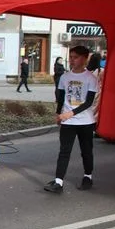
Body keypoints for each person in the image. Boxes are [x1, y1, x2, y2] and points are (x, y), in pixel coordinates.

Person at [44, 45, 98, 193]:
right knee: (64, 151)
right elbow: (61, 99)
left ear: (85, 59)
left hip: (86, 122)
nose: (72, 60)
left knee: (86, 151)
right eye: (71, 57)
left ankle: (88, 176)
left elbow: (88, 102)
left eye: (76, 57)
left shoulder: (91, 78)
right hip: (68, 122)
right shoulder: (64, 77)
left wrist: (70, 114)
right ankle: (58, 182)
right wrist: (59, 114)